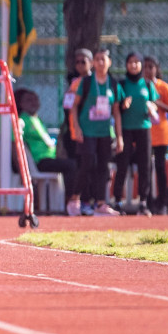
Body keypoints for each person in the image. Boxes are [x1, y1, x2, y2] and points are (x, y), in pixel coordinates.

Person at [68, 48, 122, 217]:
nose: (100, 62)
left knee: (103, 167)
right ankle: (74, 198)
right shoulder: (86, 82)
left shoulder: (113, 84)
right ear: (93, 63)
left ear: (109, 62)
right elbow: (74, 106)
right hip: (87, 130)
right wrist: (76, 127)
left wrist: (119, 136)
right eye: (97, 59)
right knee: (88, 162)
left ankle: (100, 203)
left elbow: (117, 112)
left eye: (103, 59)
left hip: (105, 132)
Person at [112, 51, 166, 215]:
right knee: (122, 164)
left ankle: (143, 202)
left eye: (137, 62)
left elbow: (154, 104)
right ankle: (118, 201)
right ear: (126, 65)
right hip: (126, 129)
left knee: (145, 165)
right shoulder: (121, 84)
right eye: (130, 62)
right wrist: (123, 106)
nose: (134, 65)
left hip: (143, 128)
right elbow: (116, 108)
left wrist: (152, 107)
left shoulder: (148, 85)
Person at [15, 88, 77, 212]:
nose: (33, 102)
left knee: (79, 160)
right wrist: (21, 169)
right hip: (41, 161)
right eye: (28, 100)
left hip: (51, 157)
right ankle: (70, 200)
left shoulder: (36, 119)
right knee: (71, 166)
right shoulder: (22, 120)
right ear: (21, 104)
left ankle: (80, 200)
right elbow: (15, 143)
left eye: (35, 99)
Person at [59, 48, 93, 213]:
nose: (80, 65)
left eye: (83, 61)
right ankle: (78, 200)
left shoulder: (98, 82)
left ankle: (92, 200)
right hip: (75, 133)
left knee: (92, 166)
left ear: (91, 63)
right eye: (77, 62)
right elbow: (68, 107)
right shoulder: (73, 83)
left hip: (94, 133)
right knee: (78, 166)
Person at [144, 56, 168, 213]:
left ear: (156, 69)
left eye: (151, 67)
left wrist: (157, 103)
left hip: (161, 134)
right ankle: (147, 202)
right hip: (144, 134)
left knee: (160, 168)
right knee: (146, 168)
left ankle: (162, 202)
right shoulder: (139, 87)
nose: (148, 70)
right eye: (145, 67)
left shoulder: (164, 87)